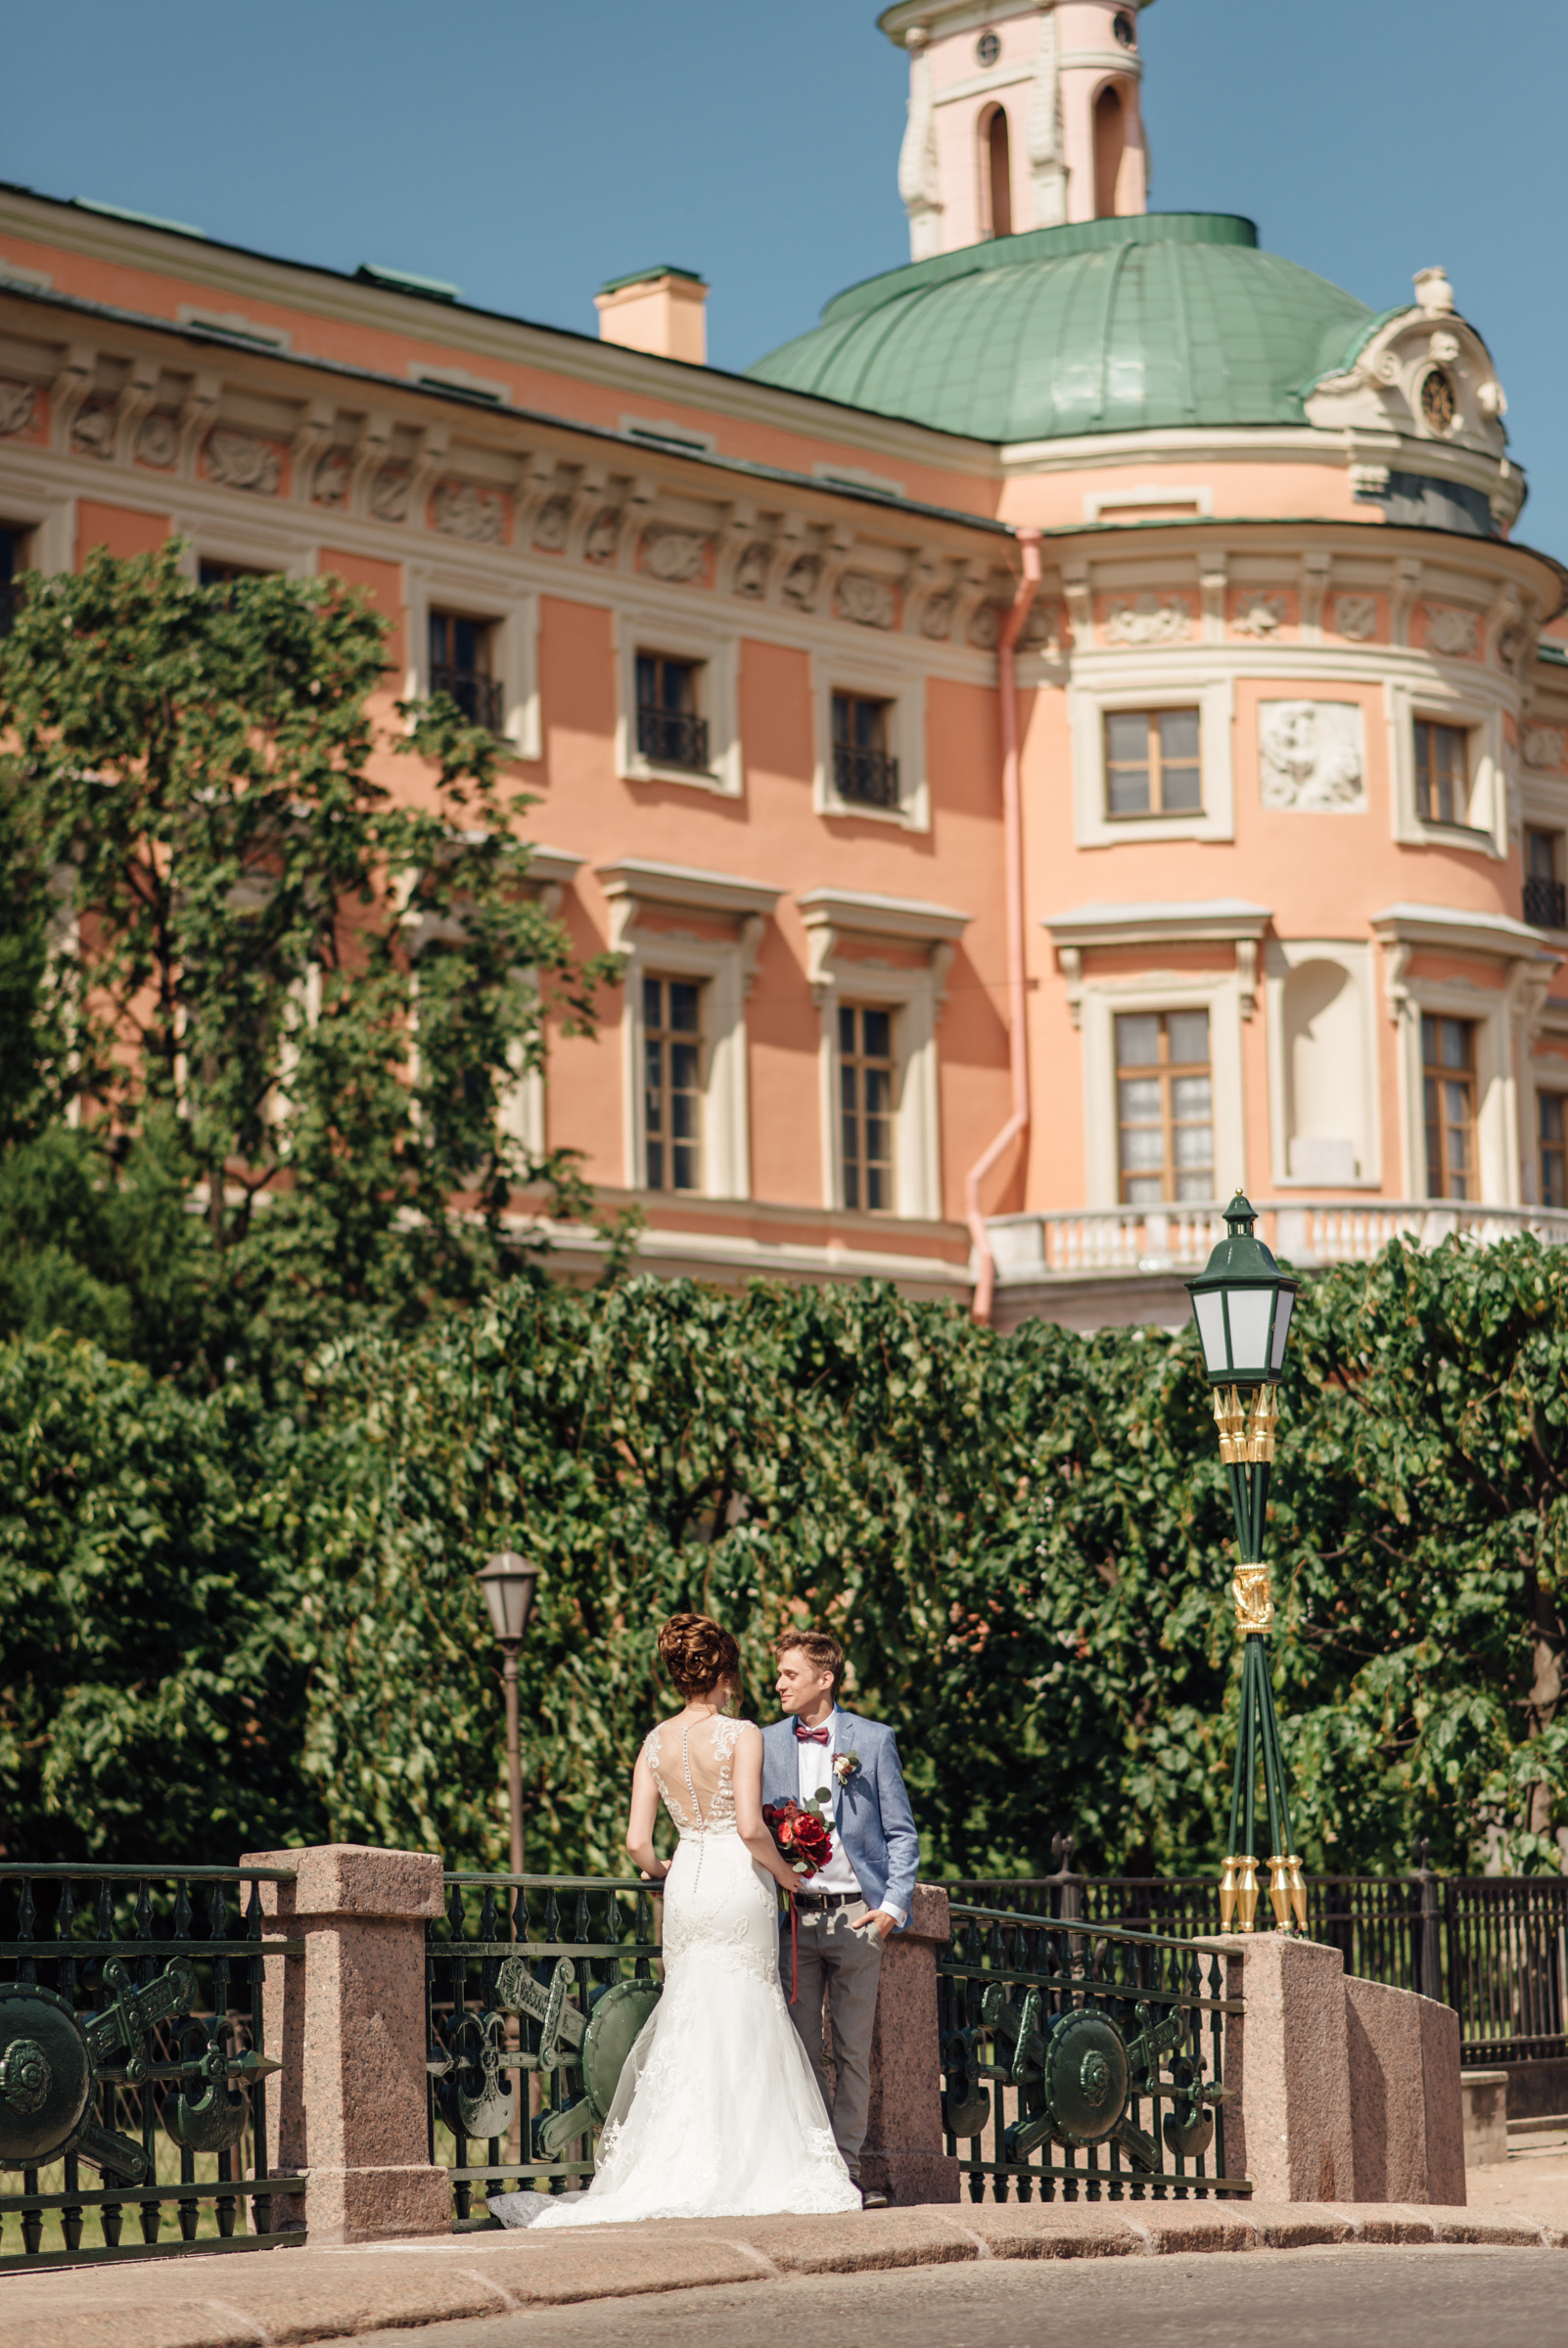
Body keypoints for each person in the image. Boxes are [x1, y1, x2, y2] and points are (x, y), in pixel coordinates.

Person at [490, 1613, 860, 2228]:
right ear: (724, 1671)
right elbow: (748, 1827)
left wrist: (664, 1866)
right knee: (746, 2008)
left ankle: (677, 2159)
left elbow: (637, 1841)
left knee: (691, 2009)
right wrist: (789, 1874)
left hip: (687, 1880)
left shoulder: (654, 1741)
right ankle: (751, 2161)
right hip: (737, 1881)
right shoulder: (742, 1734)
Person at [762, 1631, 919, 2207]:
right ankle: (810, 2171)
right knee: (800, 2052)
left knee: (853, 2052)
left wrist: (892, 1909)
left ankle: (846, 2174)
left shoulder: (873, 1741)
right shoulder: (765, 1742)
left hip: (858, 1918)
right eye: (778, 1675)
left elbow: (901, 1833)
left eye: (789, 1674)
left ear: (824, 1679)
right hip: (795, 1921)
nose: (778, 1684)